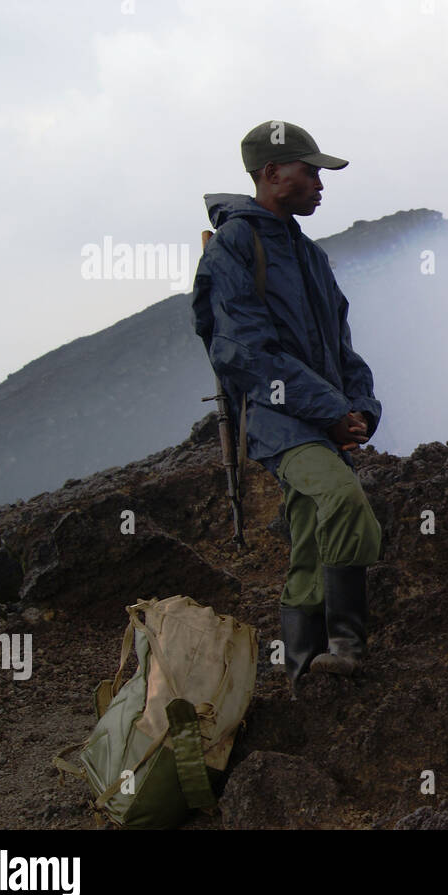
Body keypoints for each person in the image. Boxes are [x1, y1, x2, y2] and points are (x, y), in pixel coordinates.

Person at [191, 120, 383, 697]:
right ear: (272, 175)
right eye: (311, 171)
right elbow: (243, 351)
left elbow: (342, 345)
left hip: (324, 418)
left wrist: (361, 408)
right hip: (281, 420)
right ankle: (347, 645)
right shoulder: (234, 246)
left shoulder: (311, 256)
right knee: (344, 502)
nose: (321, 184)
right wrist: (327, 409)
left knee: (309, 540)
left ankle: (303, 672)